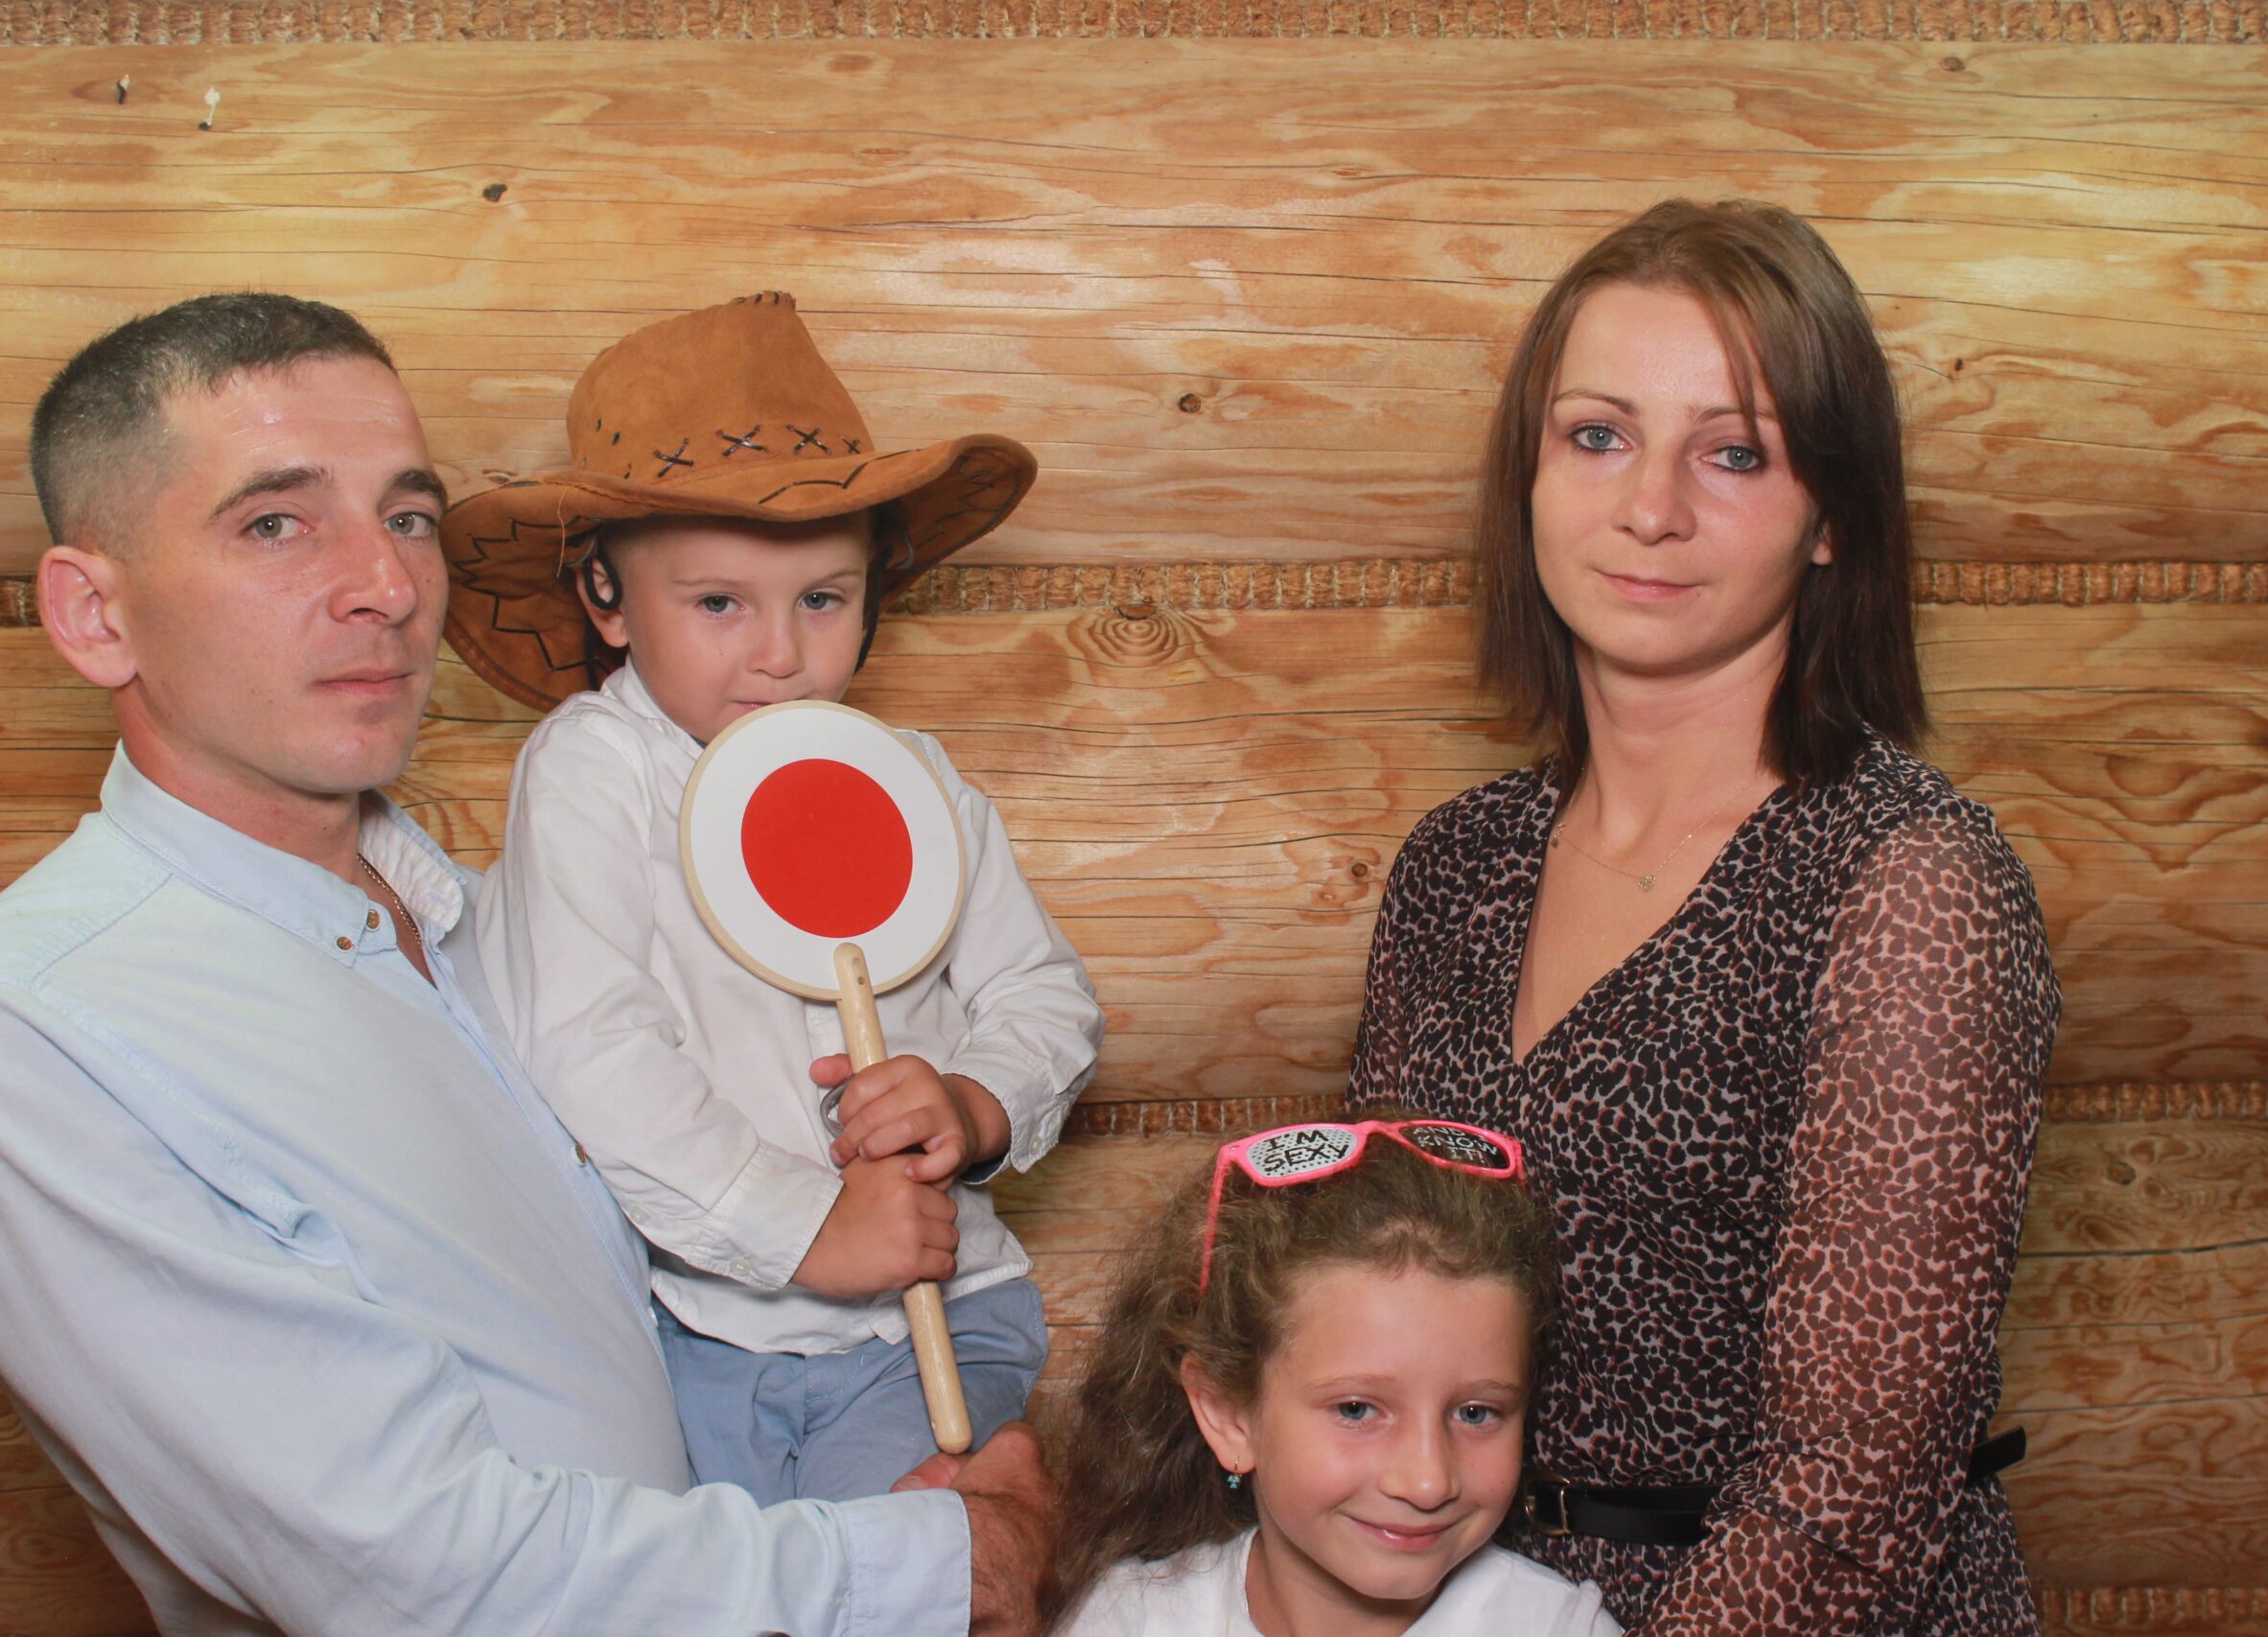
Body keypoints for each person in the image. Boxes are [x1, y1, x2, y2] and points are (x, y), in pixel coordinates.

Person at [0, 292, 1055, 1635]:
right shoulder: (52, 1036)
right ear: (95, 614)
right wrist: (941, 1560)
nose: (388, 585)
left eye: (408, 516)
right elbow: (412, 1569)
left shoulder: (483, 922)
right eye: (275, 522)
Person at [1345, 199, 2060, 1633]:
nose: (1651, 507)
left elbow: (1854, 1493)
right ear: (1530, 471)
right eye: (1597, 435)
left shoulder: (1909, 882)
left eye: (1734, 453)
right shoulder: (1457, 863)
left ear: (1831, 517)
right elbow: (1352, 1310)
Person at [440, 292, 1103, 1505]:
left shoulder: (910, 780)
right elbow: (589, 1047)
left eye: (822, 598)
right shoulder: (597, 770)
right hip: (693, 1337)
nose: (781, 654)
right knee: (712, 1582)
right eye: (718, 604)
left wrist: (974, 1104)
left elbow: (1043, 996)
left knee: (897, 1568)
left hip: (933, 1321)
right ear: (605, 598)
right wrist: (803, 1227)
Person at [1047, 1111, 1621, 1637]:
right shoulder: (1128, 1621)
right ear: (1229, 1415)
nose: (1428, 1482)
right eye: (1357, 1409)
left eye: (1476, 1413)